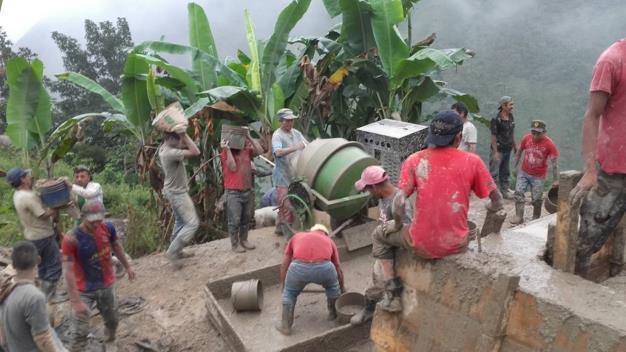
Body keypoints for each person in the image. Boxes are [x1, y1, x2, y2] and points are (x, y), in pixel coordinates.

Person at [374, 111, 503, 313]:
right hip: (457, 244)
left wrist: (397, 225)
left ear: (431, 136)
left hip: (421, 244)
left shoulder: (415, 160)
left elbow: (398, 201)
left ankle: (392, 295)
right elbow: (498, 200)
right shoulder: (473, 161)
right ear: (459, 137)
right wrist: (492, 207)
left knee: (379, 236)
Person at [570, 38, 626, 275]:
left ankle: (615, 272)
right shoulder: (612, 60)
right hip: (613, 170)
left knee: (618, 241)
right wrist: (590, 171)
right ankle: (574, 287)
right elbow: (592, 116)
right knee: (589, 238)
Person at [62, 200, 135, 351]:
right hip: (83, 289)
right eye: (92, 221)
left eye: (99, 220)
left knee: (113, 320)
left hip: (106, 283)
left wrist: (127, 266)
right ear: (82, 217)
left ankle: (110, 339)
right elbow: (67, 270)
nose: (96, 224)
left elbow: (116, 246)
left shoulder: (108, 227)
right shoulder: (71, 239)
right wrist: (75, 301)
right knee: (79, 330)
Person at [350, 165, 412, 324]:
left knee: (378, 283)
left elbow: (406, 233)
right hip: (384, 249)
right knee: (375, 279)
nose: (368, 193)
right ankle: (371, 308)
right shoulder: (382, 198)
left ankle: (374, 308)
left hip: (395, 253)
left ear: (376, 187)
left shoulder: (399, 201)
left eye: (368, 189)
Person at [276, 224, 345, 335]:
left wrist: (284, 286)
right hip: (324, 268)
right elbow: (338, 268)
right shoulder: (329, 241)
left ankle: (286, 326)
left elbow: (284, 265)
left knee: (289, 293)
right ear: (325, 233)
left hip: (298, 269)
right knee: (332, 288)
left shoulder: (297, 236)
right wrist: (341, 288)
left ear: (310, 231)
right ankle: (333, 315)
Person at [0, 241, 67, 352]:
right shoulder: (34, 296)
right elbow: (43, 339)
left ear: (13, 264)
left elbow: (2, 339)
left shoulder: (5, 290)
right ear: (38, 260)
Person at [7, 168, 62, 300]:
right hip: (43, 236)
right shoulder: (28, 196)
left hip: (32, 236)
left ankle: (46, 292)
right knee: (54, 266)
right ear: (22, 179)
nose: (30, 177)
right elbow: (42, 214)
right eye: (27, 175)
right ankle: (48, 296)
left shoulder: (18, 194)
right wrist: (57, 207)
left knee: (43, 265)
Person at [158, 128, 201, 269]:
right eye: (178, 139)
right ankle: (172, 251)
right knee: (192, 223)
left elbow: (188, 146)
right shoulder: (170, 153)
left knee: (181, 221)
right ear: (170, 139)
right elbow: (196, 152)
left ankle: (177, 251)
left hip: (172, 190)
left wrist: (181, 134)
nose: (180, 142)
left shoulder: (165, 147)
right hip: (177, 193)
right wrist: (184, 134)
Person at [220, 128, 264, 253]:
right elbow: (233, 167)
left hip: (247, 189)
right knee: (234, 220)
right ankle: (235, 244)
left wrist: (249, 137)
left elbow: (260, 151)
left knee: (246, 218)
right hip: (233, 192)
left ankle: (244, 240)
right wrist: (227, 149)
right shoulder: (225, 153)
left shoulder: (247, 150)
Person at [510, 120, 559, 224]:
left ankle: (536, 217)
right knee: (518, 193)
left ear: (544, 132)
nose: (535, 135)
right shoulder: (526, 138)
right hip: (524, 172)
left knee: (536, 198)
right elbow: (519, 153)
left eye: (538, 133)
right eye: (533, 132)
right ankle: (519, 216)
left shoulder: (549, 144)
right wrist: (514, 167)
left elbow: (554, 163)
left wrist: (555, 180)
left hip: (538, 176)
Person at [271, 108, 307, 238]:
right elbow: (278, 152)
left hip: (295, 175)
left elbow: (306, 145)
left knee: (289, 203)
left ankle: (279, 227)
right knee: (286, 204)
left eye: (292, 120)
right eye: (287, 121)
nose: (290, 123)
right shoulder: (277, 135)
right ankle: (289, 238)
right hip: (282, 176)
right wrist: (295, 148)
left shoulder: (296, 133)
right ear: (281, 121)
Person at [489, 96, 517, 199]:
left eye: (512, 104)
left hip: (507, 149)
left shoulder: (511, 117)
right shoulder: (496, 119)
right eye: (510, 105)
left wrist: (515, 146)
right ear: (503, 106)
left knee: (505, 171)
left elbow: (511, 132)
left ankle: (505, 191)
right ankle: (494, 193)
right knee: (494, 172)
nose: (512, 107)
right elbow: (493, 137)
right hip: (498, 150)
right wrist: (495, 152)